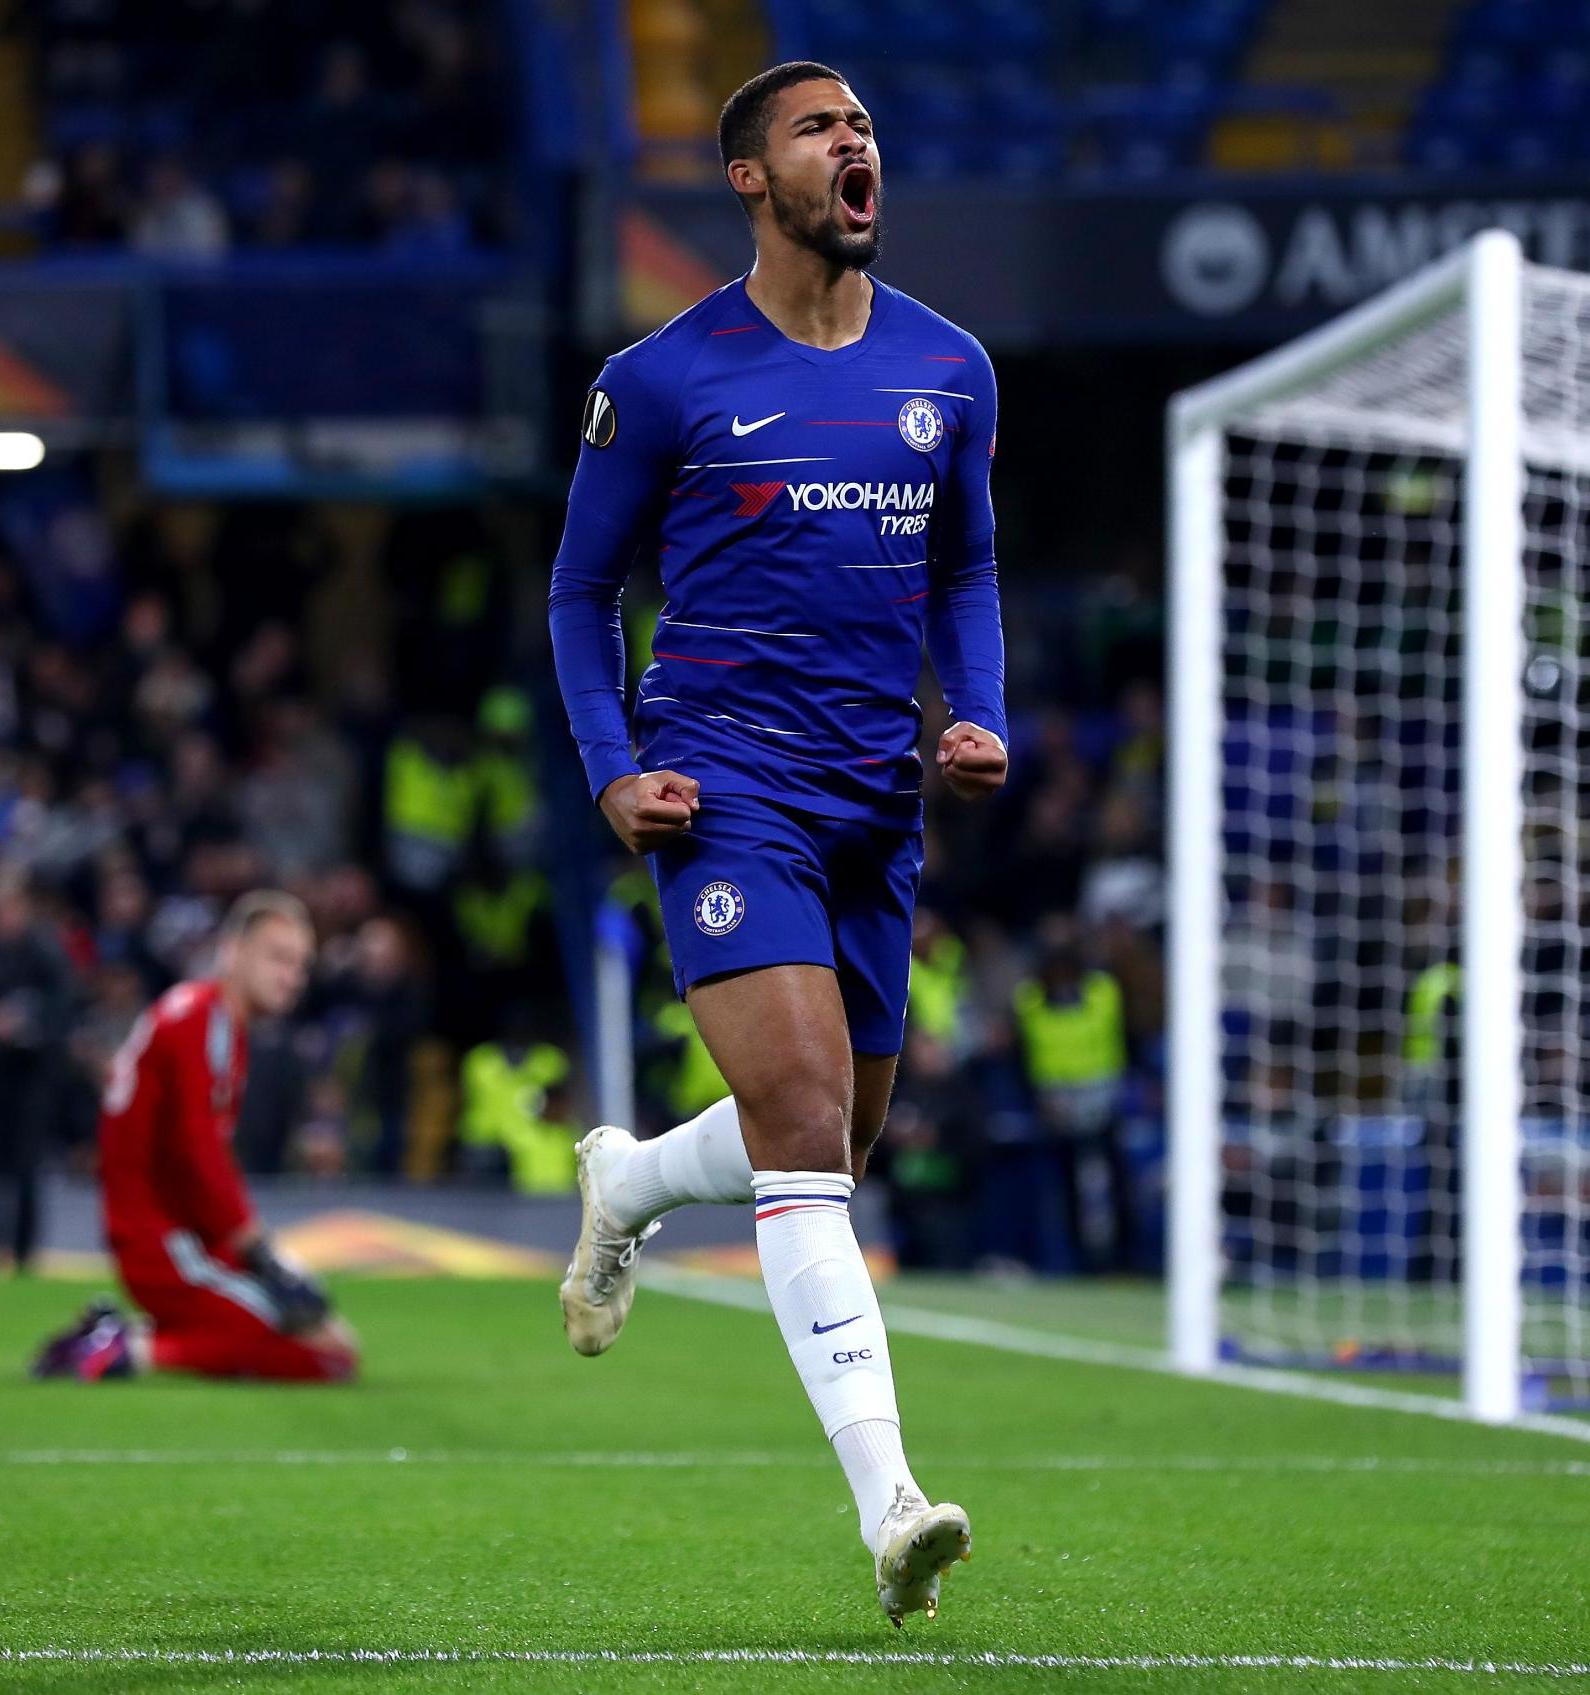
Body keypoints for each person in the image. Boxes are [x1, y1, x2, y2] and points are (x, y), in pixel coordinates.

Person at [546, 61, 1008, 1627]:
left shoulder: (951, 369)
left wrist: (979, 712)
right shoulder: (665, 377)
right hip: (726, 780)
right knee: (806, 1122)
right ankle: (893, 1503)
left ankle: (630, 1178)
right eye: (820, 128)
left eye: (865, 123)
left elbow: (968, 570)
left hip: (879, 794)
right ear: (751, 177)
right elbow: (577, 592)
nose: (854, 142)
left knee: (835, 1130)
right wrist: (616, 767)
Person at [31, 891, 359, 1383]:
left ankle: (120, 1338)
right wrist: (258, 1250)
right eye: (278, 957)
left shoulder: (212, 1020)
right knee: (321, 1355)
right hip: (164, 1239)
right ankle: (124, 1350)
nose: (291, 977)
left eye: (300, 965)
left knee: (333, 1341)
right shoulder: (201, 1021)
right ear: (233, 950)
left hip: (183, 1235)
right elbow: (197, 1150)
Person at [0, 872, 75, 1274]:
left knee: (26, 1165)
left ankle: (24, 1254)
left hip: (31, 1075)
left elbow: (62, 1008)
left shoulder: (45, 955)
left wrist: (30, 1025)